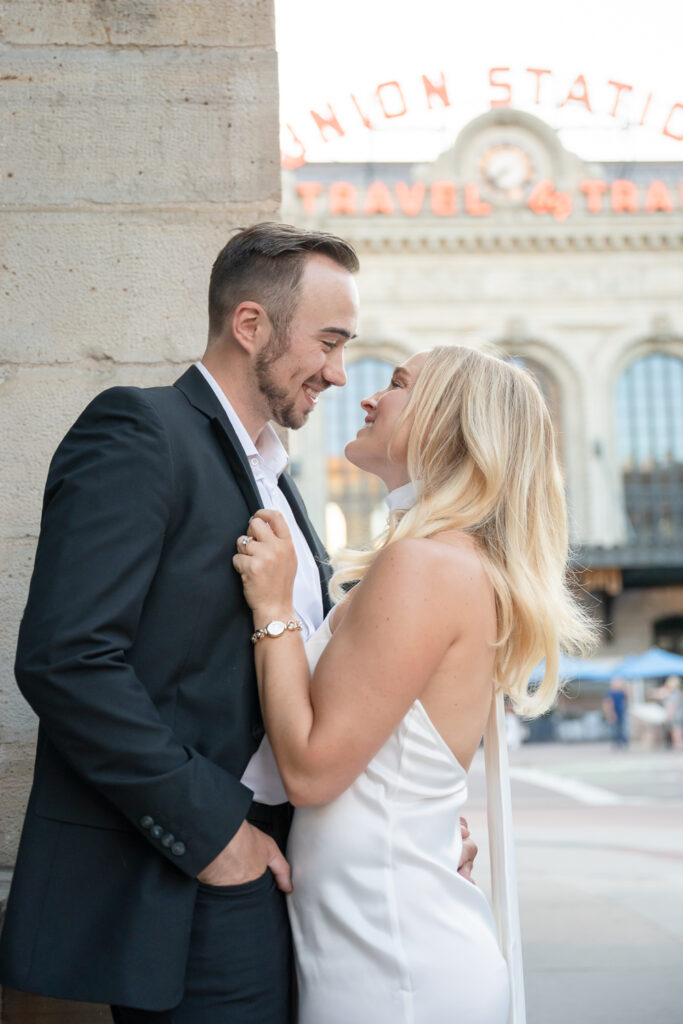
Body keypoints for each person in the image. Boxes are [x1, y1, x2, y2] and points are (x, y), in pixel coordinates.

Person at [0, 223, 476, 1024]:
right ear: (249, 325)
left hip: (289, 863)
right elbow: (66, 659)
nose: (337, 371)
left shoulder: (279, 482)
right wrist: (215, 836)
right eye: (327, 342)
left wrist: (408, 821)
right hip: (190, 871)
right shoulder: (140, 431)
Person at [234, 345, 596, 1024]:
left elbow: (311, 771)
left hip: (392, 963)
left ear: (449, 427)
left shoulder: (425, 566)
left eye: (397, 384)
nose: (369, 396)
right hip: (383, 941)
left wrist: (275, 610)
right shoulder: (452, 562)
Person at [603, 676, 629, 748]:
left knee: (622, 729)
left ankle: (622, 743)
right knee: (615, 729)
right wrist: (611, 713)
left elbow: (626, 698)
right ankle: (616, 743)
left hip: (621, 712)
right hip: (614, 712)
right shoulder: (611, 692)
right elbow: (608, 703)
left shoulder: (621, 692)